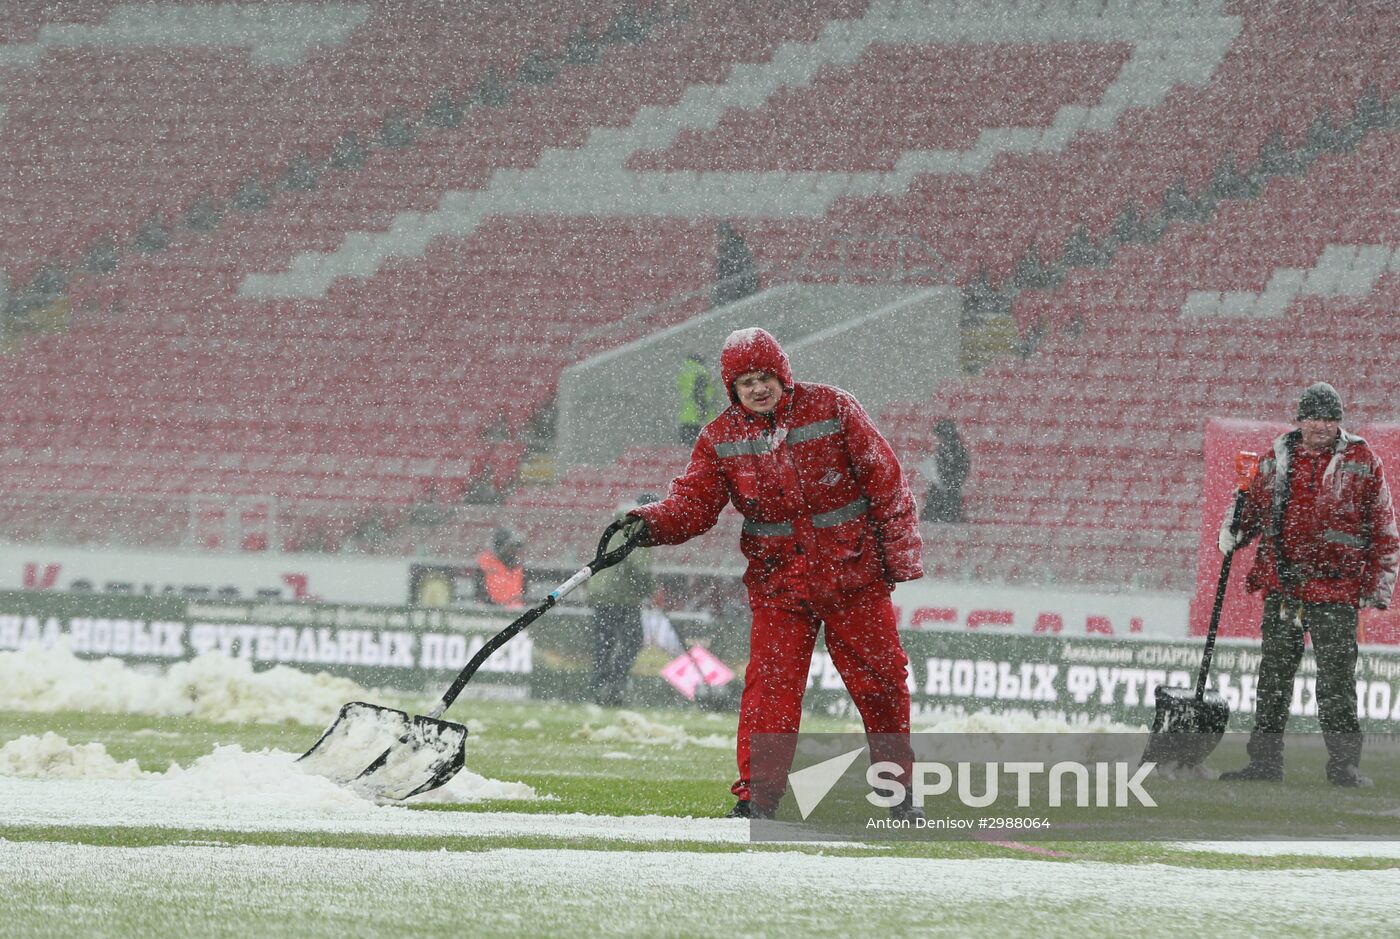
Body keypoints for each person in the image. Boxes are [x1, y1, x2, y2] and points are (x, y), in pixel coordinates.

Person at [619, 327, 924, 820]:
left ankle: (898, 792)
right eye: (745, 383)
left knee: (882, 685)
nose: (758, 389)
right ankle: (757, 800)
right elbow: (693, 505)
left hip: (854, 576)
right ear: (732, 390)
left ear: (783, 374)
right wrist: (649, 523)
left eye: (765, 377)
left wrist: (899, 559)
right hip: (779, 583)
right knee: (770, 691)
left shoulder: (834, 409)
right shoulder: (719, 438)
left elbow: (886, 482)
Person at [1217, 382, 1398, 787]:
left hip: (1336, 593)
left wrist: (1377, 588)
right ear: (1299, 420)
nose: (1321, 426)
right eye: (1313, 417)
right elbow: (1249, 508)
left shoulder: (1363, 459)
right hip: (1285, 588)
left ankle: (1344, 767)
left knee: (1336, 685)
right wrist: (1233, 530)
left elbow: (1384, 530)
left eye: (1330, 418)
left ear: (1340, 423)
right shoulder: (1276, 457)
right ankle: (1264, 764)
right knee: (1273, 681)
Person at [588, 494, 658, 706]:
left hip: (603, 591)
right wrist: (650, 588)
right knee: (632, 641)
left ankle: (600, 688)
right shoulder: (639, 525)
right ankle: (614, 686)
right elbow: (637, 564)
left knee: (604, 644)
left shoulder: (621, 521)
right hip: (621, 595)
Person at [918, 418, 970, 523]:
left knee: (941, 514)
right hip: (948, 487)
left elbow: (952, 469)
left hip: (945, 488)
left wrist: (945, 479)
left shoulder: (948, 448)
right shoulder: (956, 447)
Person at [676, 353, 719, 446]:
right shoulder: (701, 371)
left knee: (686, 452)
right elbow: (700, 395)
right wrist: (703, 413)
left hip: (685, 417)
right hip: (698, 419)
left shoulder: (684, 371)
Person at [476, 528, 526, 608]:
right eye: (510, 547)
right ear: (500, 546)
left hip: (515, 611)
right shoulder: (486, 564)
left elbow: (523, 592)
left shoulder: (518, 567)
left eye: (515, 548)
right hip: (490, 611)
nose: (513, 551)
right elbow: (480, 593)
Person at [713, 221, 759, 307]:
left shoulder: (735, 248)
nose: (721, 238)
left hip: (737, 289)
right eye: (720, 235)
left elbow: (739, 269)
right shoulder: (728, 248)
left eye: (723, 234)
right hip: (733, 288)